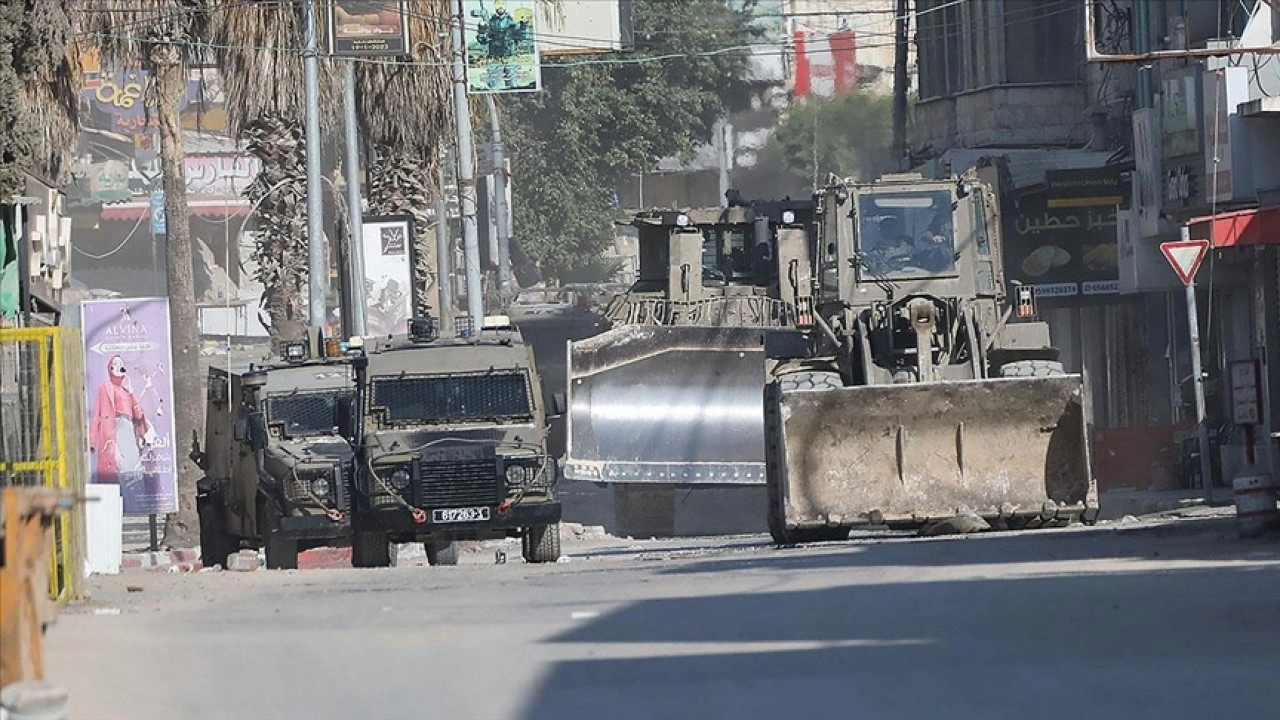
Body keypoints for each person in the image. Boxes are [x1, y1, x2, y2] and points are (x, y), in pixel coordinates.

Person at [89, 355, 158, 486]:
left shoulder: (127, 392)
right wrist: (92, 440)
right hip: (116, 426)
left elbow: (138, 415)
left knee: (132, 464)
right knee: (118, 464)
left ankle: (133, 495)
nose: (118, 365)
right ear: (110, 367)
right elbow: (96, 414)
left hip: (129, 427)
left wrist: (131, 391)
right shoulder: (105, 388)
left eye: (120, 363)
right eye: (115, 363)